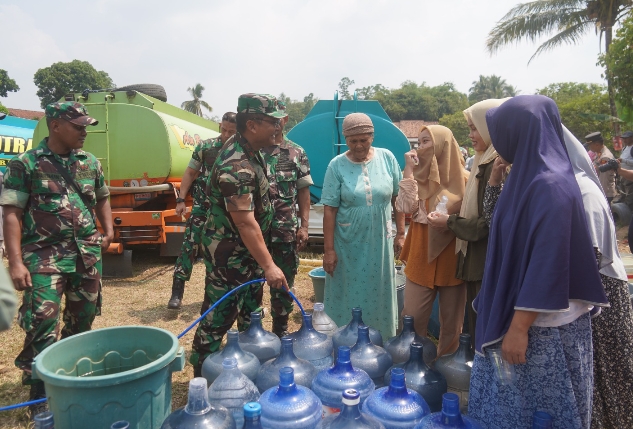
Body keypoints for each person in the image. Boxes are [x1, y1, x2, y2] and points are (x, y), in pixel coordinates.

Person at [468, 95, 608, 429]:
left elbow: (548, 261)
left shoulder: (549, 185)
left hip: (540, 328)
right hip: (526, 317)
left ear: (519, 132)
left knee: (537, 412)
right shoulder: (528, 177)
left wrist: (518, 327)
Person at [0, 101, 114, 417]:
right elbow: (11, 213)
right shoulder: (26, 164)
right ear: (55, 125)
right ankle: (39, 392)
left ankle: (71, 379)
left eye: (85, 126)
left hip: (86, 256)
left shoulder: (90, 162)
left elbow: (103, 196)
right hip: (43, 257)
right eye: (77, 126)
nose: (83, 132)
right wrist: (16, 262)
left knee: (83, 321)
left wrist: (108, 229)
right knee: (42, 322)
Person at [190, 94, 287, 376]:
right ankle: (203, 378)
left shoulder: (250, 149)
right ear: (253, 125)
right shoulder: (237, 165)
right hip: (229, 256)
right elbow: (245, 223)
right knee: (218, 319)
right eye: (274, 121)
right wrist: (269, 265)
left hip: (246, 253)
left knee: (251, 314)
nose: (279, 126)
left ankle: (246, 370)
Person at [565, 126, 633, 428]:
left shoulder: (584, 191)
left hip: (603, 293)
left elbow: (591, 255)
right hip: (590, 294)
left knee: (611, 371)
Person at [427, 99, 508, 350]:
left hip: (485, 260)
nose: (471, 135)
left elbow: (487, 222)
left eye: (475, 128)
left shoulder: (495, 166)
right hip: (475, 259)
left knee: (485, 328)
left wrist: (450, 222)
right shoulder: (482, 162)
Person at [321, 113, 405, 338]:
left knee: (380, 288)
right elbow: (329, 208)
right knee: (348, 289)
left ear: (372, 136)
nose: (358, 145)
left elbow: (398, 198)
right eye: (352, 141)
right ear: (345, 140)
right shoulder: (336, 165)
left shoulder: (387, 158)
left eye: (364, 140)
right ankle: (344, 340)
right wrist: (329, 250)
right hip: (348, 242)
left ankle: (381, 339)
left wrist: (401, 233)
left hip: (381, 239)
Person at [397, 125, 466, 357]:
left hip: (452, 262)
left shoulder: (466, 180)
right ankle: (414, 367)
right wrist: (408, 168)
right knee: (412, 318)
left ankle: (445, 370)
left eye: (427, 142)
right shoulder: (416, 177)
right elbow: (405, 207)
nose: (421, 147)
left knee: (452, 326)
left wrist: (450, 222)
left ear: (443, 146)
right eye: (419, 142)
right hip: (419, 258)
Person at [168, 112, 237, 309]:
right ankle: (177, 292)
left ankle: (219, 293)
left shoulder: (240, 151)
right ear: (219, 126)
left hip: (227, 212)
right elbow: (190, 172)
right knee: (189, 246)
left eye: (231, 132)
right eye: (223, 129)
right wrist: (181, 199)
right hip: (202, 207)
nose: (226, 135)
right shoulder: (206, 147)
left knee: (224, 252)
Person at [260, 101, 313, 337]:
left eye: (278, 119)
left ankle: (280, 332)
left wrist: (304, 226)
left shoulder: (296, 152)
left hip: (285, 230)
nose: (275, 124)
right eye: (270, 119)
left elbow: (303, 191)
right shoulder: (253, 150)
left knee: (283, 282)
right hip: (255, 232)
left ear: (285, 119)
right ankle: (252, 333)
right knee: (251, 282)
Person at [586, 131, 617, 204]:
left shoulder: (605, 157)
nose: (589, 148)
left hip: (605, 193)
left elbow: (604, 180)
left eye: (590, 145)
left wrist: (600, 195)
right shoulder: (599, 153)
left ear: (597, 145)